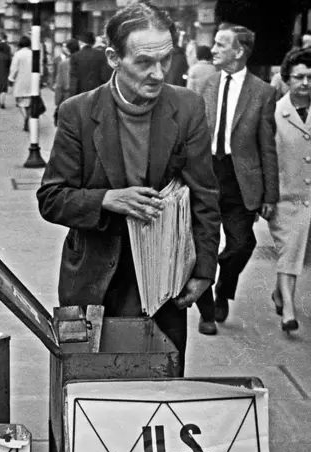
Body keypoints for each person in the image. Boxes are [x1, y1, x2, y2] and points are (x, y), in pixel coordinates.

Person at [37, 1, 220, 374]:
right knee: (88, 396)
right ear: (113, 57)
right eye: (143, 62)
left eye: (165, 60)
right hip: (93, 283)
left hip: (162, 284)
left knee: (156, 393)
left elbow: (205, 195)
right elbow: (51, 198)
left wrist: (203, 271)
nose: (157, 73)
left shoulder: (187, 108)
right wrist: (107, 199)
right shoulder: (78, 113)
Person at [196, 23, 279, 334]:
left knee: (242, 245)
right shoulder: (204, 85)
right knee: (201, 246)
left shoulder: (263, 92)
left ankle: (224, 286)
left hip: (241, 181)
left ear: (239, 51)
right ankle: (207, 314)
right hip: (205, 177)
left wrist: (270, 195)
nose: (213, 49)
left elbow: (267, 147)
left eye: (221, 44)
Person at [267, 47, 311, 333]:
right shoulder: (274, 113)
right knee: (290, 250)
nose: (305, 83)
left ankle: (278, 292)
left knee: (294, 254)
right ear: (287, 79)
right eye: (299, 77)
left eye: (310, 77)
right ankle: (289, 312)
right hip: (285, 197)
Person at [69, 30, 112, 96]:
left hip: (81, 95)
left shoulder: (75, 56)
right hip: (98, 94)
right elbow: (105, 76)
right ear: (93, 42)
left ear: (80, 42)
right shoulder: (101, 55)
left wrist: (71, 97)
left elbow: (74, 81)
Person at [9, 35, 33, 132]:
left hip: (20, 81)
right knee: (30, 102)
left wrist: (11, 78)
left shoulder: (18, 54)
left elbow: (14, 68)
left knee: (20, 102)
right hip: (32, 81)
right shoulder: (33, 53)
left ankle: (25, 116)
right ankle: (29, 116)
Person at [53, 38, 80, 125]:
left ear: (68, 50)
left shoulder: (64, 64)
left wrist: (57, 101)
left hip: (67, 98)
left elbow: (60, 84)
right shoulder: (84, 61)